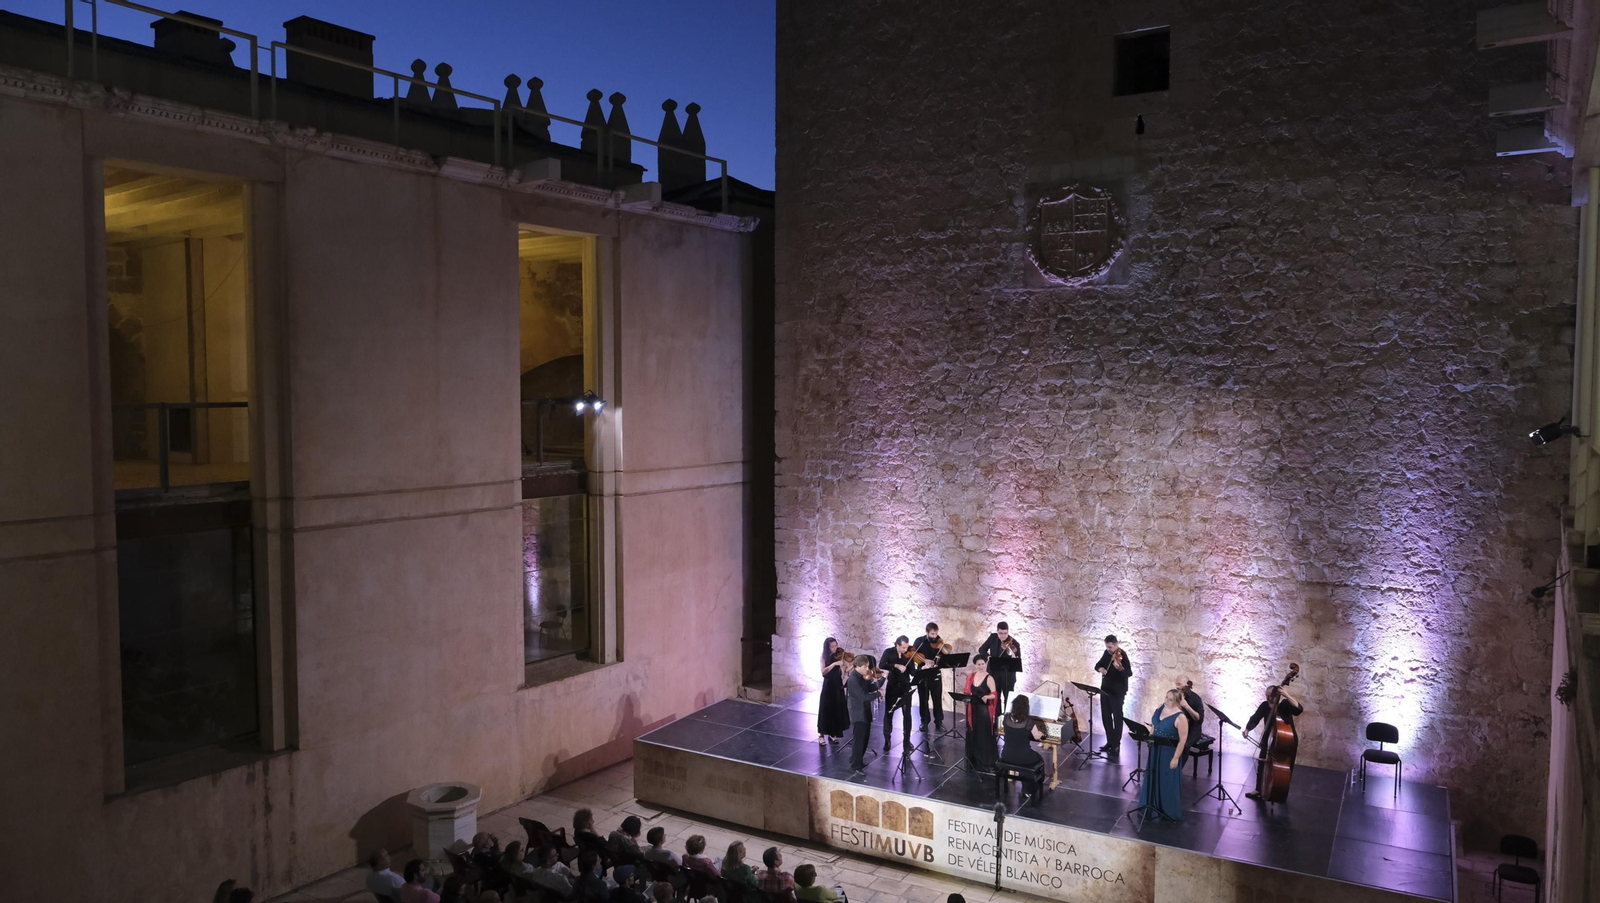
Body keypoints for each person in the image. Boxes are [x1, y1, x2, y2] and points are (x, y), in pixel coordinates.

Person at [1244, 682, 1305, 801]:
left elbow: (1299, 709)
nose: (1267, 697)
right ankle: (1259, 789)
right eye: (1266, 695)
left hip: (1285, 739)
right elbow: (1255, 717)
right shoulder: (1265, 705)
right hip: (1268, 738)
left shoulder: (1284, 705)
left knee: (1285, 767)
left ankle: (1281, 790)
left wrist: (1286, 695)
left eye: (1269, 695)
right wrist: (1247, 729)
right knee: (1262, 762)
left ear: (1276, 694)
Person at [1137, 689, 1189, 821]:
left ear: (1177, 702)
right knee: (1152, 775)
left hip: (1168, 752)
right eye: (1166, 697)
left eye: (1170, 699)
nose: (1166, 701)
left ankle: (1166, 809)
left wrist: (1176, 758)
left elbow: (1183, 740)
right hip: (1155, 748)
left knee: (1166, 779)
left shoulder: (1181, 717)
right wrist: (1150, 734)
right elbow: (1154, 724)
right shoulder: (1161, 708)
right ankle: (1151, 805)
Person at [1093, 634, 1132, 760]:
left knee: (1117, 717)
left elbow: (1129, 673)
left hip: (1117, 692)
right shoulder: (1106, 653)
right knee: (1106, 716)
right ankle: (1109, 741)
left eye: (1110, 647)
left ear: (1116, 644)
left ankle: (1116, 744)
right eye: (1107, 647)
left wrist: (1119, 668)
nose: (1109, 649)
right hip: (1105, 690)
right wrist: (1101, 669)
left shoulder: (1122, 655)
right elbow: (1097, 665)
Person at [846, 654, 885, 772]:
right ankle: (856, 765)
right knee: (859, 741)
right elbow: (863, 697)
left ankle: (857, 760)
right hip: (859, 714)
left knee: (865, 739)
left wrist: (883, 679)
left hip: (865, 712)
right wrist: (879, 694)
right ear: (857, 666)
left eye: (868, 666)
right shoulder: (853, 680)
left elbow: (871, 688)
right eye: (865, 667)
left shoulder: (862, 676)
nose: (868, 669)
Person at [963, 653, 999, 772]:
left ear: (986, 664)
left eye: (983, 664)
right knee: (974, 733)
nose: (981, 666)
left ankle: (986, 762)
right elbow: (967, 691)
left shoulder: (989, 678)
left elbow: (994, 694)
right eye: (979, 664)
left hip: (984, 711)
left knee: (983, 735)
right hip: (972, 709)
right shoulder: (971, 676)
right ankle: (974, 761)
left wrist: (986, 697)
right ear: (975, 665)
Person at [880, 636, 915, 752]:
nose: (906, 649)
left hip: (905, 687)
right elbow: (882, 665)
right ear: (897, 645)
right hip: (893, 687)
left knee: (907, 715)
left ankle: (907, 740)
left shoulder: (908, 655)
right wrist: (895, 665)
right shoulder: (888, 652)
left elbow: (913, 672)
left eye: (907, 647)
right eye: (904, 647)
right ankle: (887, 740)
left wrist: (923, 668)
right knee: (889, 713)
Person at [977, 622, 1022, 710]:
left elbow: (1018, 658)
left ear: (1008, 632)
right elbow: (981, 649)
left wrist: (1013, 655)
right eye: (1000, 633)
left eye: (1005, 633)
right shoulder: (992, 638)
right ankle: (996, 720)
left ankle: (1006, 720)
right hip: (995, 674)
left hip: (1008, 676)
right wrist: (988, 657)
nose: (1003, 636)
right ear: (997, 631)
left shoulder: (1014, 643)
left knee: (1008, 699)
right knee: (995, 698)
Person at [911, 622, 947, 732]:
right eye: (932, 634)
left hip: (935, 672)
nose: (934, 636)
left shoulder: (940, 641)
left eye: (936, 634)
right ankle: (924, 722)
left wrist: (940, 659)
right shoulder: (919, 641)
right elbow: (913, 654)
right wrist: (924, 661)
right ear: (927, 633)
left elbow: (945, 656)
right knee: (923, 699)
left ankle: (939, 722)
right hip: (923, 672)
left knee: (937, 699)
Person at [998, 695, 1046, 772]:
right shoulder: (1028, 722)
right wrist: (1041, 733)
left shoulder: (1006, 718)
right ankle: (1033, 782)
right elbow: (1037, 737)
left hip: (1006, 755)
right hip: (1023, 757)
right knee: (1040, 759)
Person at [816, 637, 851, 744]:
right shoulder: (823, 657)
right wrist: (834, 664)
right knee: (825, 708)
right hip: (828, 685)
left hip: (837, 685)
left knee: (836, 708)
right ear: (827, 647)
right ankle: (821, 735)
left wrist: (853, 666)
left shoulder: (839, 657)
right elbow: (823, 672)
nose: (835, 648)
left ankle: (832, 733)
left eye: (836, 646)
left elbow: (846, 670)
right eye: (832, 646)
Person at [1173, 676, 1206, 766]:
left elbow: (1199, 719)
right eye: (1176, 684)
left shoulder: (1195, 698)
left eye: (1179, 684)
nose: (1177, 687)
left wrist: (1186, 706)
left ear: (1187, 684)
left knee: (1185, 744)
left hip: (1193, 729)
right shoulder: (1177, 696)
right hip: (1179, 727)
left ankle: (1178, 769)